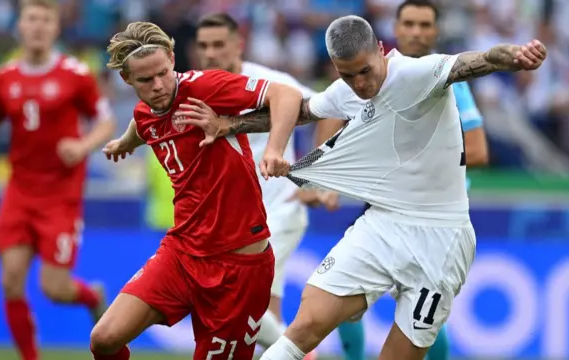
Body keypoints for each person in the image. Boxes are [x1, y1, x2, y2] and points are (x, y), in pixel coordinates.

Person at [173, 15, 546, 360]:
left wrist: (514, 55)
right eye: (348, 75)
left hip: (442, 237)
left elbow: (476, 60)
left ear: (381, 51)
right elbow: (300, 111)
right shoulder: (347, 90)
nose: (360, 84)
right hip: (382, 225)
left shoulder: (416, 72)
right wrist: (228, 126)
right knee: (303, 326)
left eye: (366, 71)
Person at [91, 21, 304, 360]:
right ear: (126, 80)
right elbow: (143, 121)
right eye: (146, 80)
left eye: (163, 73)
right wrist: (124, 142)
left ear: (173, 59)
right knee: (104, 339)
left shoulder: (206, 87)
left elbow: (287, 95)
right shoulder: (144, 112)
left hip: (239, 266)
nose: (159, 85)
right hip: (182, 253)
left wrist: (274, 149)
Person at [312, 2, 489, 359]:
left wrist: (421, 163)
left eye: (425, 25)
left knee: (421, 315)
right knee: (344, 294)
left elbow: (480, 151)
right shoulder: (364, 75)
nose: (416, 32)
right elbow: (327, 122)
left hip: (436, 217)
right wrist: (324, 180)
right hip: (385, 203)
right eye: (408, 23)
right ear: (392, 31)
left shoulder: (448, 77)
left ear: (436, 32)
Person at [0, 1, 116, 360]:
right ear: (20, 26)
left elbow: (105, 122)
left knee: (54, 289)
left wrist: (83, 144)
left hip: (61, 196)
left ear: (56, 28)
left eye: (45, 20)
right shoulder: (6, 76)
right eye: (31, 19)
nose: (38, 26)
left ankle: (92, 297)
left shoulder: (76, 75)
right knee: (10, 280)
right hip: (19, 192)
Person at [195, 12, 328, 357]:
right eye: (204, 46)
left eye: (219, 44)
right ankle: (299, 351)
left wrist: (313, 175)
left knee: (246, 309)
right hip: (234, 222)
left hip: (278, 210)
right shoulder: (196, 91)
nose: (210, 53)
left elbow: (331, 111)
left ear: (238, 44)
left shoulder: (269, 82)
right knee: (263, 316)